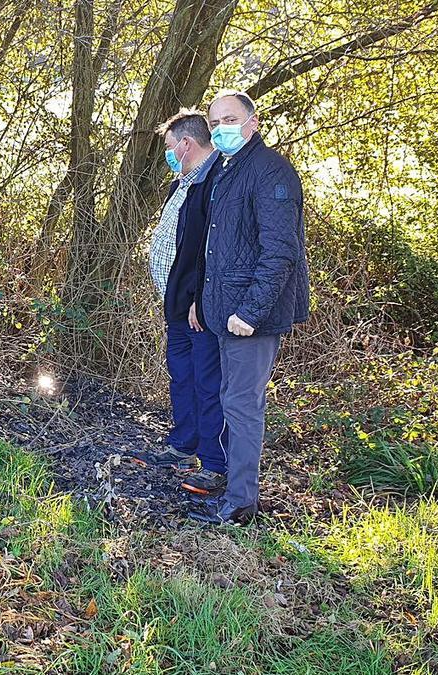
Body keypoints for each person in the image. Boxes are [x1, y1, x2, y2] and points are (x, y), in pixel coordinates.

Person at [188, 90, 310, 525]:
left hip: (249, 318)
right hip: (224, 311)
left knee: (241, 405)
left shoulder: (270, 172)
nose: (222, 128)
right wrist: (203, 302)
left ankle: (240, 505)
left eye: (230, 119)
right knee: (229, 399)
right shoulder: (228, 168)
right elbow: (219, 248)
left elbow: (280, 252)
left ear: (253, 123)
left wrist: (250, 313)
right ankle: (230, 487)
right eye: (215, 121)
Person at [132, 109, 228, 497]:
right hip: (177, 304)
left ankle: (216, 464)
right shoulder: (183, 183)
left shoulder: (216, 183)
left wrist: (199, 301)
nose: (169, 154)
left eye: (171, 147)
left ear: (186, 144)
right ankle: (183, 446)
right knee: (183, 377)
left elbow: (213, 250)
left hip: (199, 307)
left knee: (208, 383)